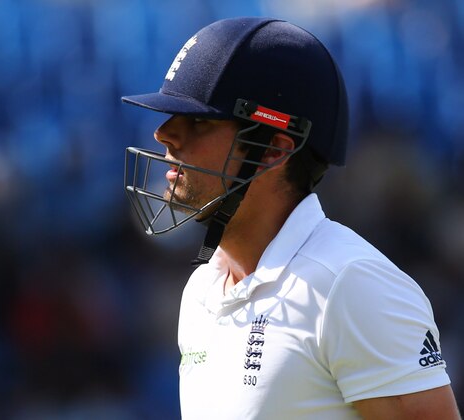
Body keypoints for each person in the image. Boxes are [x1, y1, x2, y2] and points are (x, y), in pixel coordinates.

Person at [121, 17, 460, 419]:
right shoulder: (201, 291)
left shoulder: (351, 282)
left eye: (199, 121)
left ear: (274, 150)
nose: (163, 135)